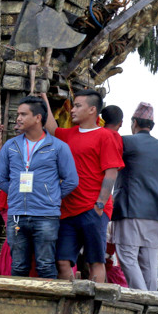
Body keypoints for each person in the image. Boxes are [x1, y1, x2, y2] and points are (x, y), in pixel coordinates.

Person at [44, 90, 124, 282]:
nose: (73, 109)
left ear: (92, 110)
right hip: (68, 210)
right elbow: (52, 129)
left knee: (95, 261)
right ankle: (67, 306)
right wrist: (44, 99)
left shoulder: (105, 136)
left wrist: (99, 205)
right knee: (62, 261)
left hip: (93, 209)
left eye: (78, 106)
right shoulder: (69, 135)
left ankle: (93, 309)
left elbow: (111, 172)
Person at [0, 96, 78, 279]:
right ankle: (19, 305)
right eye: (18, 114)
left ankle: (47, 307)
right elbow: (0, 178)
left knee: (46, 264)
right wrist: (17, 192)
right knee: (18, 265)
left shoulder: (58, 147)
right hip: (17, 214)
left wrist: (50, 196)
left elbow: (71, 180)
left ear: (38, 118)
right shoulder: (10, 146)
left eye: (23, 114)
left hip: (46, 214)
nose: (18, 118)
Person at [110, 103, 158, 291]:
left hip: (129, 210)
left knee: (127, 258)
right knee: (149, 265)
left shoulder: (125, 142)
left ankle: (143, 299)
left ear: (134, 123)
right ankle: (152, 301)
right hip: (157, 214)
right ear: (151, 126)